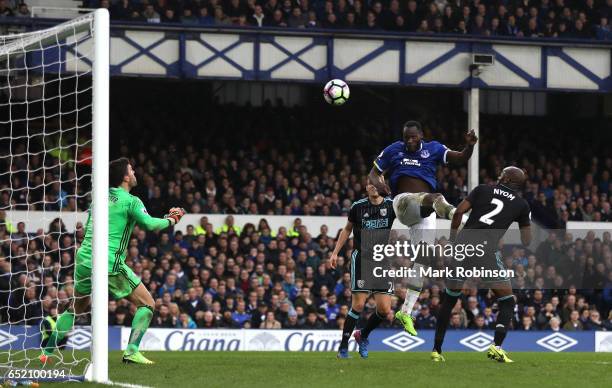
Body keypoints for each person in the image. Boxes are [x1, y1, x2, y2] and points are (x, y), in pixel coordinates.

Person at [40, 158, 186, 365]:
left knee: (76, 307)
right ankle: (132, 351)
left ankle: (46, 351)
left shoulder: (98, 198)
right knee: (148, 303)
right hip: (108, 261)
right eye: (131, 170)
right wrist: (172, 219)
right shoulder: (131, 200)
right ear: (126, 177)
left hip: (84, 258)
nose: (134, 172)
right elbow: (150, 225)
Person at [368, 120, 477, 336]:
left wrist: (470, 146)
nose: (409, 141)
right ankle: (462, 219)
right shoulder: (393, 150)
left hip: (425, 212)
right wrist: (380, 184)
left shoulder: (434, 148)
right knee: (436, 198)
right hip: (404, 202)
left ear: (421, 135)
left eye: (413, 137)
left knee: (424, 259)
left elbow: (461, 158)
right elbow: (373, 174)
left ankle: (405, 311)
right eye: (406, 137)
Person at [431, 166, 531, 363]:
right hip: (486, 251)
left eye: (503, 174)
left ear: (510, 180)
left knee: (450, 299)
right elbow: (527, 240)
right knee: (508, 301)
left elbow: (459, 212)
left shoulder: (482, 189)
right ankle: (497, 347)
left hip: (462, 248)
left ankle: (436, 350)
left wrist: (452, 241)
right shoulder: (521, 204)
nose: (499, 175)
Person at [330, 183, 395, 359]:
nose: (373, 187)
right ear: (366, 187)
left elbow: (410, 215)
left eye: (377, 183)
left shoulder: (391, 205)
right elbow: (347, 229)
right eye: (370, 184)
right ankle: (343, 347)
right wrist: (335, 252)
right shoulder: (358, 206)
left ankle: (363, 335)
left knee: (384, 310)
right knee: (358, 305)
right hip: (362, 258)